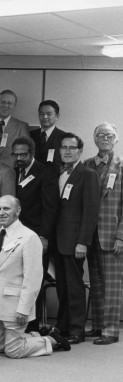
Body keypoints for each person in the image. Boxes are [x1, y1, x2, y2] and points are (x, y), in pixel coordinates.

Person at [0, 195, 70, 357]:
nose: (1, 213)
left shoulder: (30, 237)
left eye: (6, 208)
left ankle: (52, 340)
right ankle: (33, 336)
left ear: (18, 211)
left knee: (13, 351)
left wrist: (24, 309)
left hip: (15, 304)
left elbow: (33, 278)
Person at [54, 132, 100, 344]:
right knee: (62, 287)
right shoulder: (58, 172)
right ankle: (62, 326)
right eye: (64, 147)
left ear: (80, 151)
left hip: (75, 243)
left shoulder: (88, 174)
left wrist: (83, 242)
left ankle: (76, 330)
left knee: (74, 287)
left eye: (72, 148)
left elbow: (91, 211)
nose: (67, 151)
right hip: (58, 241)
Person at [12, 136, 59, 332]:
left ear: (32, 153)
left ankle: (32, 323)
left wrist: (44, 236)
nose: (19, 158)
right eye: (16, 154)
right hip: (16, 234)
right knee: (18, 278)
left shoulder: (45, 172)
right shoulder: (15, 172)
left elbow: (51, 208)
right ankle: (16, 320)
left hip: (37, 235)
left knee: (34, 279)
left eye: (23, 154)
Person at [85, 123, 122, 345]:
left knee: (112, 284)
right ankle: (97, 325)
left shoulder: (121, 166)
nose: (105, 138)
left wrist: (121, 236)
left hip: (112, 233)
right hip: (91, 234)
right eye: (100, 135)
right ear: (95, 139)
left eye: (109, 135)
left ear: (116, 140)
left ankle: (110, 330)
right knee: (96, 282)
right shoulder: (88, 164)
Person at [0, 89, 30, 164]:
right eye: (3, 102)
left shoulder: (21, 127)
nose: (6, 105)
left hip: (10, 171)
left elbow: (25, 153)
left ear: (14, 105)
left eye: (9, 103)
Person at [30, 100, 66, 174]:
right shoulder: (30, 135)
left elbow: (67, 164)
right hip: (32, 180)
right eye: (41, 114)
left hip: (54, 182)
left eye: (49, 114)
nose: (45, 117)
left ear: (57, 116)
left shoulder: (64, 137)